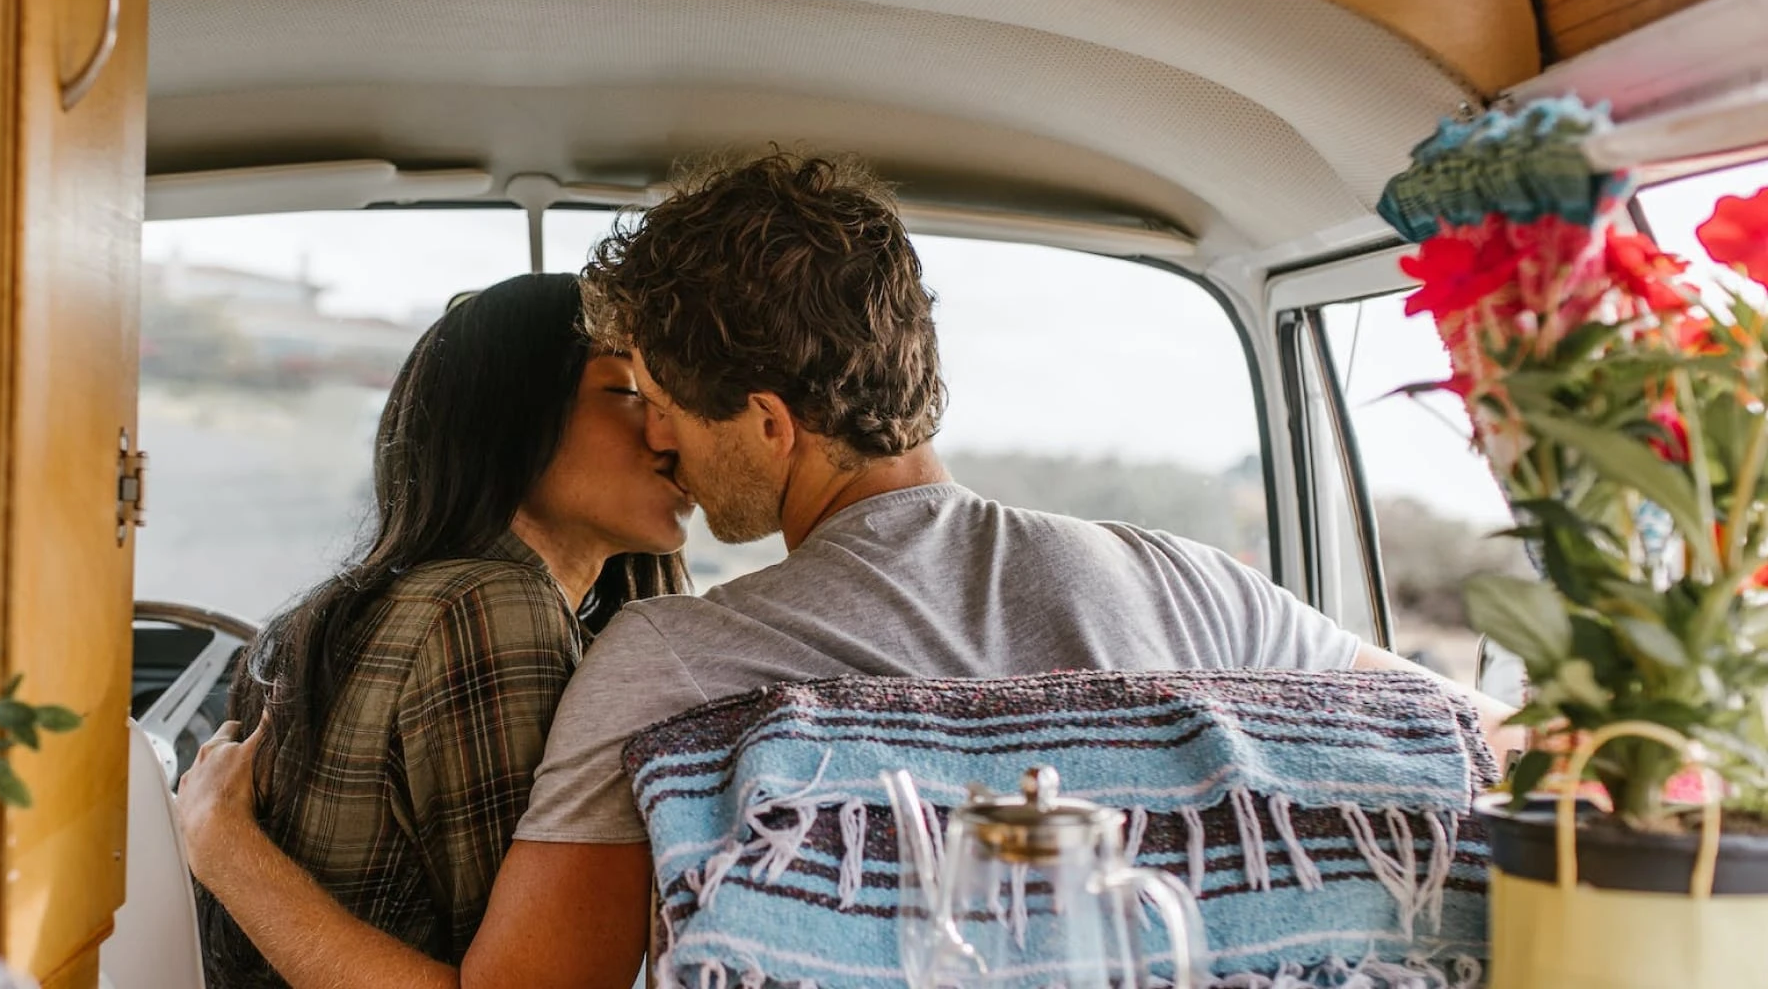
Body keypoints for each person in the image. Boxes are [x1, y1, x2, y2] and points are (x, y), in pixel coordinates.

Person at [177, 152, 1516, 989]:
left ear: (767, 424)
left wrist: (225, 853)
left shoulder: (672, 671)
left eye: (660, 405)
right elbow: (1465, 748)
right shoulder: (1206, 592)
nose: (652, 437)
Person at [193, 272, 691, 987]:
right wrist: (221, 848)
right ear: (510, 418)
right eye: (628, 394)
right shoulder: (489, 607)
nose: (669, 434)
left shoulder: (401, 603)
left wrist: (222, 845)